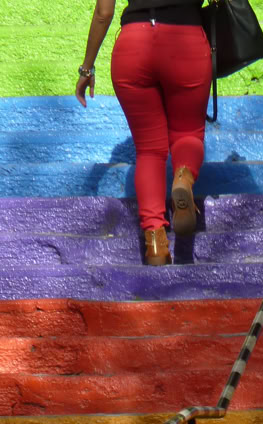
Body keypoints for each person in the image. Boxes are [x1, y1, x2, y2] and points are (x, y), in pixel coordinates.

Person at [76, 0, 212, 265]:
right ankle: (182, 178)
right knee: (188, 133)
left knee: (149, 150)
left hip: (132, 45)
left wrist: (87, 68)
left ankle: (155, 243)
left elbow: (104, 12)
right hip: (184, 40)